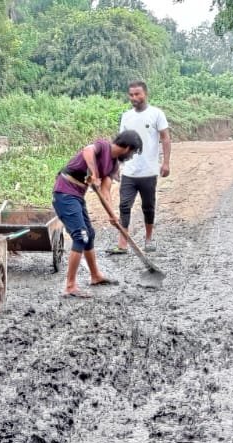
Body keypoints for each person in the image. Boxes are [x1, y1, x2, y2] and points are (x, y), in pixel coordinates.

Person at [53, 130, 142, 297]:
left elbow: (105, 191)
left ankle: (95, 276)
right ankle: (70, 286)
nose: (131, 156)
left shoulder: (114, 165)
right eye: (132, 152)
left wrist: (112, 214)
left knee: (90, 234)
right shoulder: (103, 146)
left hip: (77, 196)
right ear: (128, 147)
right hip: (64, 193)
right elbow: (87, 151)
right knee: (81, 236)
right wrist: (94, 173)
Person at [113, 80, 170, 254]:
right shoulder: (126, 116)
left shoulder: (156, 114)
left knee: (148, 206)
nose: (134, 98)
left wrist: (166, 162)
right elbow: (119, 143)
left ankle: (148, 238)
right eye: (131, 95)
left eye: (137, 94)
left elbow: (165, 138)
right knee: (124, 205)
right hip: (129, 171)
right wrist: (115, 166)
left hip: (149, 171)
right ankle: (123, 243)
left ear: (145, 94)